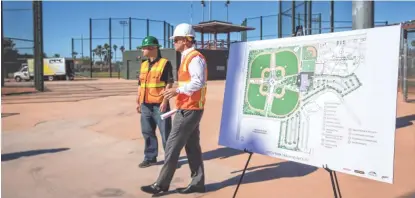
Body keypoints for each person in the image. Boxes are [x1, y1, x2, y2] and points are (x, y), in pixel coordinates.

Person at [140, 23, 208, 194]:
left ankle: (161, 184)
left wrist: (177, 90)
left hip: (189, 110)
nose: (174, 43)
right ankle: (198, 182)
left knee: (171, 146)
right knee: (192, 147)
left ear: (186, 40)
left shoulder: (194, 57)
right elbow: (190, 82)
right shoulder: (187, 57)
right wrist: (176, 89)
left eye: (177, 40)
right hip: (189, 107)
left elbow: (198, 82)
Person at [136, 36, 174, 168]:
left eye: (144, 48)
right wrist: (138, 101)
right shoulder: (143, 65)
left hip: (160, 104)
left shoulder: (164, 63)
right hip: (145, 104)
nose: (142, 51)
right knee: (147, 132)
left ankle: (170, 160)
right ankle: (150, 157)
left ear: (153, 48)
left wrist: (165, 101)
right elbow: (140, 85)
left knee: (166, 133)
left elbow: (169, 84)